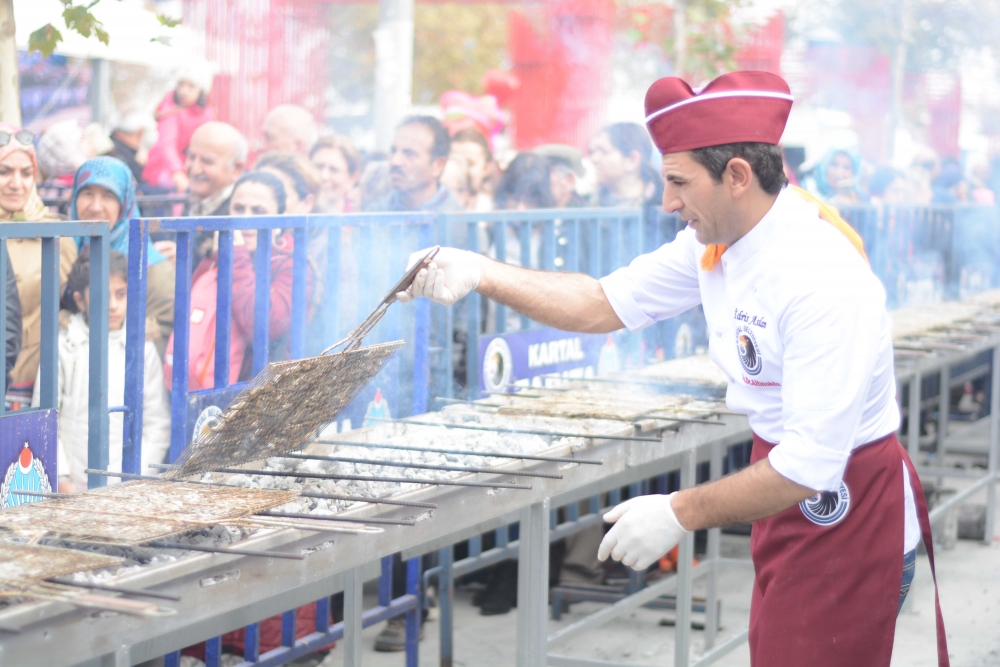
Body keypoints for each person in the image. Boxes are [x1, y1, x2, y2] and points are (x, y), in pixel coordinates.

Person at [397, 71, 948, 667]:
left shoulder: (818, 276)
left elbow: (811, 464)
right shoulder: (717, 237)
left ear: (737, 176)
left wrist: (676, 511)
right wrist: (481, 272)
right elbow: (600, 303)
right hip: (780, 487)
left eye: (679, 182)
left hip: (844, 509)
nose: (668, 202)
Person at [33, 249, 170, 493]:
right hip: (71, 488)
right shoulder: (63, 348)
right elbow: (45, 422)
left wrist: (134, 480)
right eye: (101, 296)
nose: (113, 305)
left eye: (121, 294)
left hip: (127, 490)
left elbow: (157, 423)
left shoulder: (142, 349)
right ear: (79, 300)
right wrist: (62, 480)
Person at [164, 172, 312, 389]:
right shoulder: (216, 256)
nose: (246, 218)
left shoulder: (291, 265)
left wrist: (236, 255)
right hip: (206, 390)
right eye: (239, 209)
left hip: (263, 393)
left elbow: (263, 325)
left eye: (258, 211)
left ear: (280, 218)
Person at [0, 123, 78, 409]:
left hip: (38, 391)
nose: (16, 183)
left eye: (26, 173)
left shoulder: (56, 234)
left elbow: (75, 306)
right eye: (4, 172)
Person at [69, 157, 176, 357]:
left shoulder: (150, 265)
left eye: (108, 196)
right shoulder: (66, 250)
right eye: (87, 193)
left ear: (124, 203)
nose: (95, 206)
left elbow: (164, 335)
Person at [364, 116, 462, 214]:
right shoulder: (373, 217)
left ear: (438, 166)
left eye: (409, 153)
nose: (395, 161)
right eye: (393, 151)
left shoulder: (461, 224)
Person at [142, 67, 216, 192]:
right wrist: (177, 173)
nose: (183, 91)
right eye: (180, 85)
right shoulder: (170, 111)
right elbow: (167, 146)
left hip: (192, 167)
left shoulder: (207, 113)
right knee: (183, 189)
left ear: (202, 91)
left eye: (191, 86)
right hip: (164, 168)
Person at [588, 122, 663, 208]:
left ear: (632, 160)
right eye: (591, 152)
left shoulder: (666, 207)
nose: (594, 159)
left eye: (603, 152)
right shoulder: (589, 204)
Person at [449, 128, 498, 211]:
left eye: (470, 163)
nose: (463, 169)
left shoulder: (495, 215)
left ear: (486, 168)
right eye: (457, 162)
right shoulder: (435, 212)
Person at [310, 135, 361, 213]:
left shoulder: (361, 218)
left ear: (352, 178)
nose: (324, 176)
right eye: (319, 167)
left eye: (334, 170)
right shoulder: (293, 214)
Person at [532, 144, 588, 208]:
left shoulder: (585, 214)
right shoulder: (536, 211)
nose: (539, 183)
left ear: (569, 181)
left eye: (546, 174)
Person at [107, 113, 149, 183]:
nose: (140, 139)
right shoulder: (115, 153)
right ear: (120, 135)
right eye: (138, 135)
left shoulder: (130, 151)